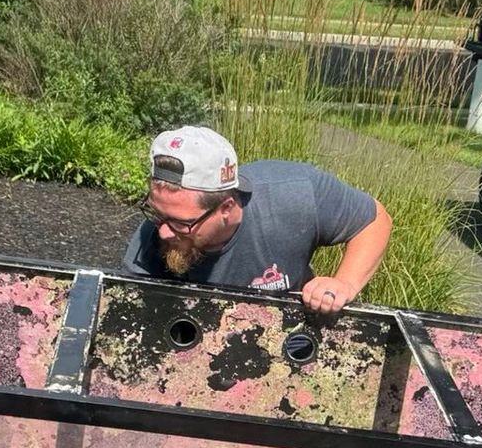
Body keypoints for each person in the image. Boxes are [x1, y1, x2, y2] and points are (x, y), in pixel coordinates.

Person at [122, 126, 391, 312]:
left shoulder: (294, 193)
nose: (163, 232)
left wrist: (344, 284)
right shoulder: (152, 237)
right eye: (157, 213)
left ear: (226, 207)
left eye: (181, 223)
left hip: (287, 336)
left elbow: (374, 219)